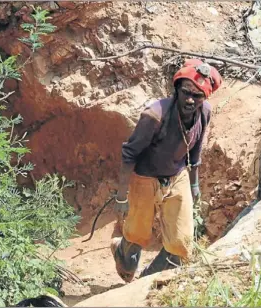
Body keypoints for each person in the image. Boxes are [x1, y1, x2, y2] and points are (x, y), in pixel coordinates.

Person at [111, 59, 222, 282]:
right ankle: (120, 249)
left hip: (177, 175)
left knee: (182, 245)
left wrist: (194, 185)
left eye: (198, 95)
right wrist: (122, 196)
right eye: (186, 92)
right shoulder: (155, 115)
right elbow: (129, 154)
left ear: (205, 97)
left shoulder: (204, 113)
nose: (191, 99)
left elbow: (196, 152)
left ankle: (146, 283)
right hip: (145, 177)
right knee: (136, 237)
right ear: (177, 89)